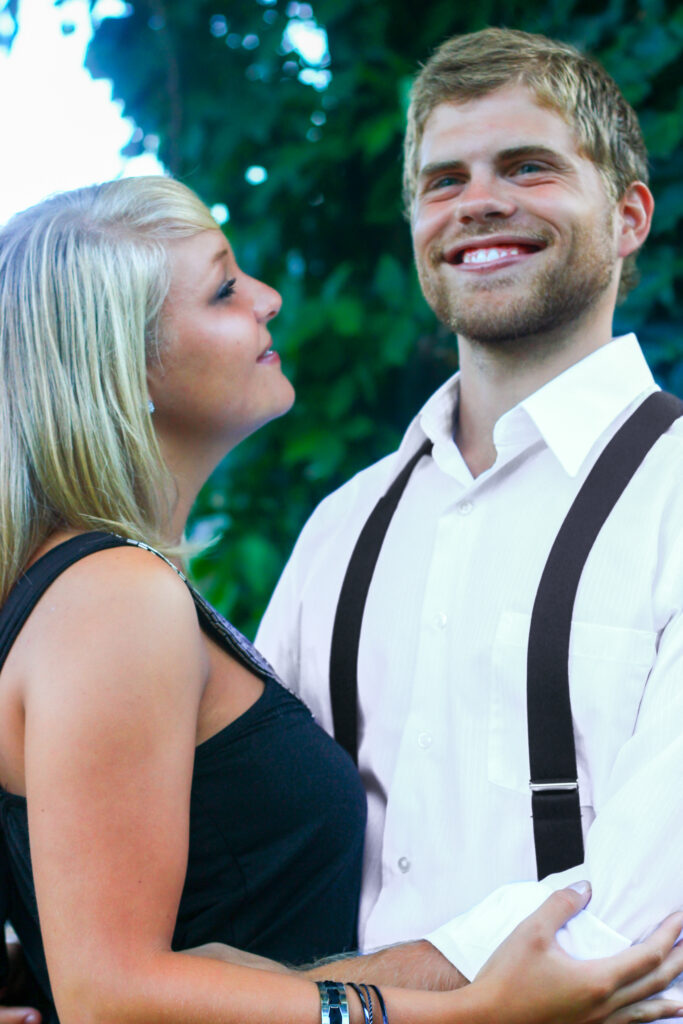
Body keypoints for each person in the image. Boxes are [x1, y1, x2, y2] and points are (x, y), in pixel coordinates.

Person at [2, 176, 681, 1024]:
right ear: (123, 371)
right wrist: (476, 1012)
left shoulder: (86, 589)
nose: (268, 298)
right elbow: (112, 995)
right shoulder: (114, 600)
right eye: (223, 290)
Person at [255, 24, 683, 1002]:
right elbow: (245, 824)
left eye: (527, 167)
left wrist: (290, 1004)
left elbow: (631, 927)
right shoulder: (342, 527)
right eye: (441, 181)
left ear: (627, 217)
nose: (477, 202)